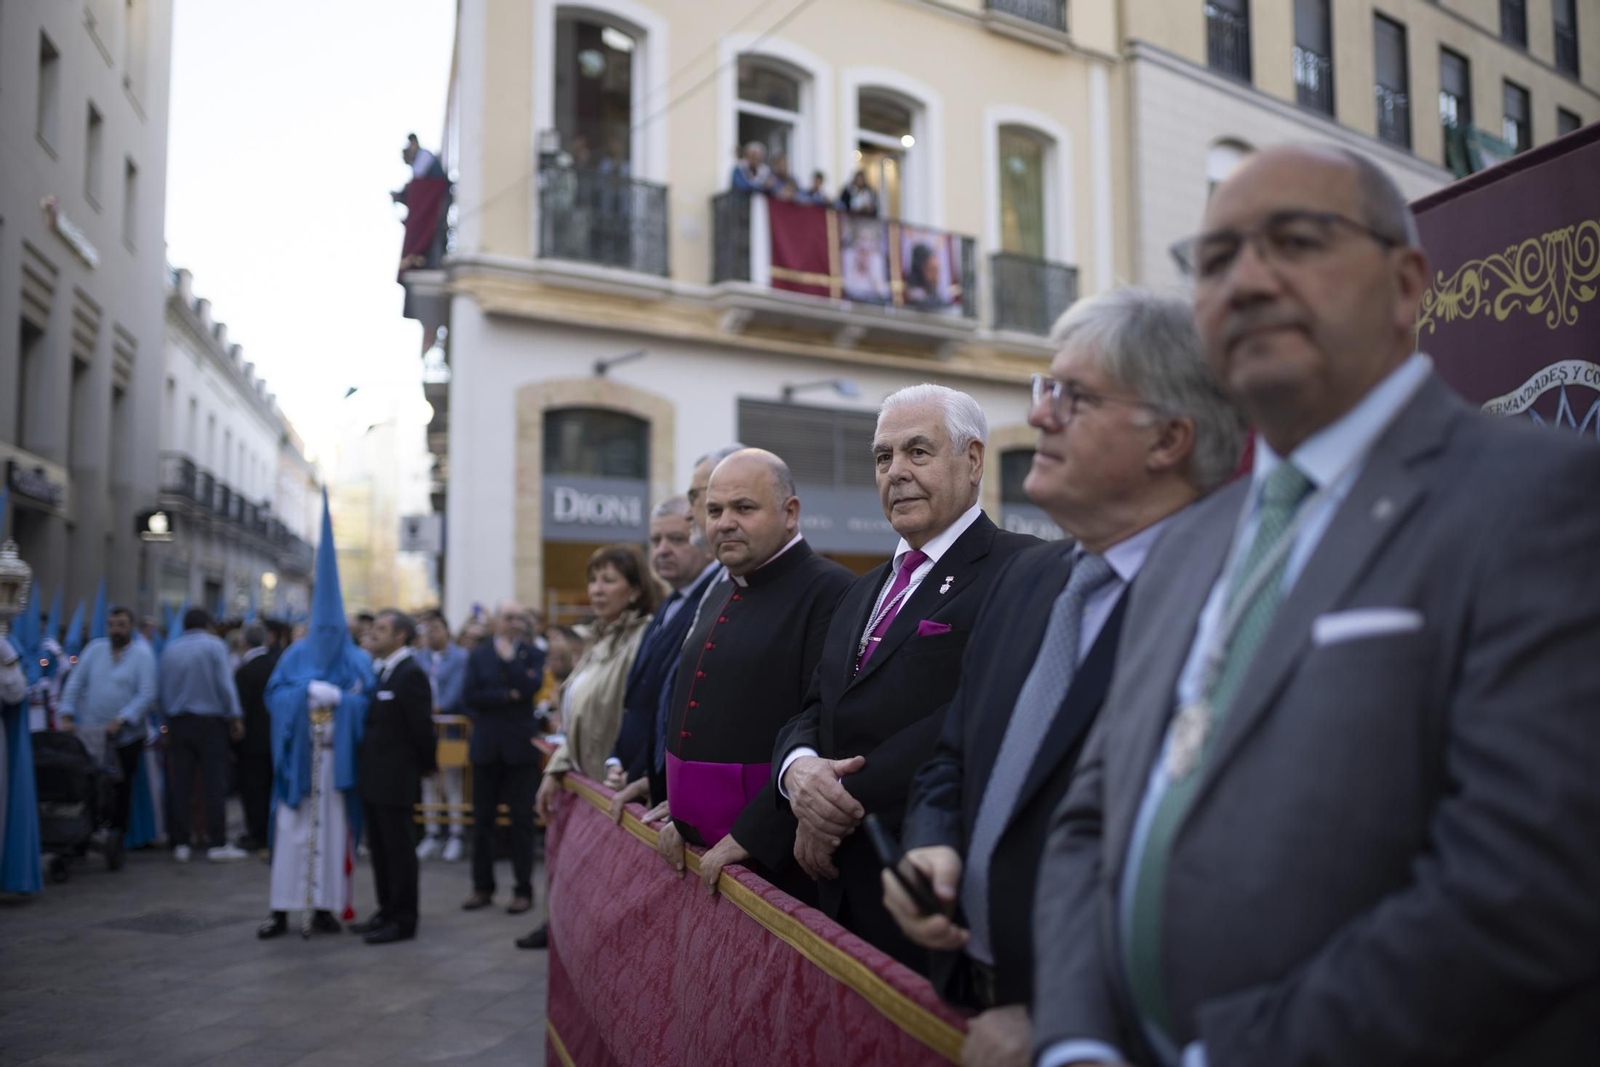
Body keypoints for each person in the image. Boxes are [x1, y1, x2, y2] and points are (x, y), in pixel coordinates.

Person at [1031, 145, 1600, 1067]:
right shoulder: (1188, 546)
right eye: (1216, 259)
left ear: (1406, 284)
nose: (1249, 281)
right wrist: (1076, 1040)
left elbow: (1525, 877)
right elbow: (1091, 821)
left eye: (1297, 241)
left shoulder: (1545, 499)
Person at [883, 289, 1244, 1065]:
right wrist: (933, 844)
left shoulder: (1233, 607)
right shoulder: (1028, 579)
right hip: (966, 990)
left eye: (1073, 397)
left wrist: (1063, 1014)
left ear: (1169, 438)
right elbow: (953, 756)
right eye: (1045, 389)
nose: (1039, 415)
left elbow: (1221, 877)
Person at [771, 385, 1039, 970]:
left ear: (973, 461)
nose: (896, 472)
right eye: (883, 456)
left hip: (930, 898)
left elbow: (980, 717)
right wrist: (799, 773)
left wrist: (833, 806)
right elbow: (817, 707)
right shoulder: (861, 590)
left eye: (918, 451)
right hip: (836, 895)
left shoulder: (1024, 570)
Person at [656, 449, 854, 899]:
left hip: (769, 858)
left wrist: (755, 835)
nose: (725, 523)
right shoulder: (721, 588)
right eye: (714, 511)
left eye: (743, 508)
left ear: (790, 513)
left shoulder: (832, 590)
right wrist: (681, 815)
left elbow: (824, 728)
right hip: (698, 842)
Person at [261, 499, 375, 939]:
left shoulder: (357, 660)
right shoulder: (294, 655)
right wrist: (302, 695)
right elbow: (273, 695)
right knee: (290, 830)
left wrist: (344, 703)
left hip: (336, 761)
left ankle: (325, 906)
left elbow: (368, 705)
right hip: (298, 760)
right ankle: (281, 908)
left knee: (332, 834)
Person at [602, 497, 720, 802]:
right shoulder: (671, 600)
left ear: (705, 543)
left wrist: (641, 772)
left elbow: (677, 706)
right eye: (655, 540)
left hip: (661, 783)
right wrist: (616, 760)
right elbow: (639, 699)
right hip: (634, 778)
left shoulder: (714, 602)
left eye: (677, 539)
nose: (662, 549)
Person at [536, 545, 657, 791]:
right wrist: (556, 767)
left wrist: (633, 773)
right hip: (591, 783)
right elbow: (578, 723)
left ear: (635, 591)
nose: (597, 589)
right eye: (592, 580)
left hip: (617, 784)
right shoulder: (600, 640)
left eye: (608, 581)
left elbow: (638, 719)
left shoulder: (645, 639)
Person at [349, 611, 436, 945]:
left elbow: (421, 729)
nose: (373, 633)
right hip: (375, 776)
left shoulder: (410, 673)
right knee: (382, 850)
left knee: (399, 851)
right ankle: (385, 910)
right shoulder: (381, 670)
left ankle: (403, 919)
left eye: (382, 629)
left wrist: (424, 767)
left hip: (396, 778)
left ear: (400, 636)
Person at [461, 601, 545, 915]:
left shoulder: (532, 653)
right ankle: (482, 887)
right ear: (496, 620)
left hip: (519, 750)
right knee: (482, 821)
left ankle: (523, 890)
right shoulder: (479, 654)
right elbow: (470, 696)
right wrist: (507, 696)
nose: (514, 623)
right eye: (508, 617)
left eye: (519, 618)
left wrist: (510, 662)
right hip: (486, 748)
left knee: (522, 822)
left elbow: (530, 687)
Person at [58, 607, 158, 839]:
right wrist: (67, 713)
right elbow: (75, 683)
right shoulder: (95, 649)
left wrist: (122, 718)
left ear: (131, 627)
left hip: (126, 736)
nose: (116, 630)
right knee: (89, 784)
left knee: (121, 786)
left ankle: (118, 837)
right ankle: (87, 833)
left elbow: (147, 694)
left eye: (121, 625)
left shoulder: (142, 656)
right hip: (92, 733)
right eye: (112, 625)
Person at [159, 607, 247, 862]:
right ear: (208, 625)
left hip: (178, 722)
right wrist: (235, 716)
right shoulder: (214, 646)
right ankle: (217, 842)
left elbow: (163, 689)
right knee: (214, 783)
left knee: (181, 784)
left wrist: (166, 724)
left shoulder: (170, 649)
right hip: (210, 724)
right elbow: (224, 684)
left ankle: (181, 842)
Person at [415, 612, 469, 862]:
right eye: (428, 630)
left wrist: (436, 707)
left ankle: (456, 834)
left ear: (447, 630)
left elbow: (456, 691)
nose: (431, 634)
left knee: (452, 782)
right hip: (426, 728)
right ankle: (432, 833)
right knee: (429, 782)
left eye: (436, 628)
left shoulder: (460, 657)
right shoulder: (419, 658)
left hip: (451, 729)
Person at [235, 619, 290, 853]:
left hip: (251, 742)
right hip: (276, 737)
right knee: (270, 787)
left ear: (244, 643)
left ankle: (257, 834)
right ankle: (273, 832)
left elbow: (239, 709)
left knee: (254, 789)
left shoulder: (244, 671)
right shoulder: (277, 665)